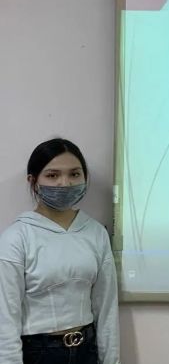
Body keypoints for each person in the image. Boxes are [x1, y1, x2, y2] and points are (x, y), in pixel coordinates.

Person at [0, 138, 120, 364]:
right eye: (52, 175)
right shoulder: (17, 237)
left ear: (85, 178)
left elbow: (106, 309)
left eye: (74, 174)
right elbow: (5, 319)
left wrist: (111, 360)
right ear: (33, 181)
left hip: (87, 350)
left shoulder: (95, 233)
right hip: (38, 352)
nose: (65, 183)